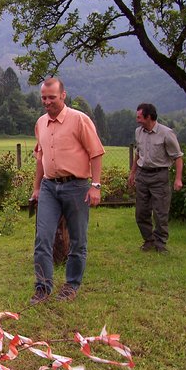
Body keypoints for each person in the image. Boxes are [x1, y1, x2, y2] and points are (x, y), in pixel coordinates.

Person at [30, 78, 105, 304]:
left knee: (77, 240)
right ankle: (43, 288)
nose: (47, 102)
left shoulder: (79, 120)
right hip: (49, 187)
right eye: (44, 97)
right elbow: (40, 158)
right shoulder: (40, 123)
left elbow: (96, 153)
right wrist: (36, 187)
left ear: (63, 95)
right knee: (42, 238)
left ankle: (71, 285)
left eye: (52, 97)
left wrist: (96, 186)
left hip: (77, 186)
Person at [128, 103, 183, 254]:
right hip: (142, 175)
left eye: (139, 117)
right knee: (141, 212)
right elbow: (138, 153)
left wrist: (178, 179)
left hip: (160, 175)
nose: (137, 120)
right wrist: (133, 173)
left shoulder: (166, 133)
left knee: (160, 212)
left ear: (149, 117)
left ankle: (160, 243)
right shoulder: (138, 132)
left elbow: (178, 157)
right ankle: (148, 241)